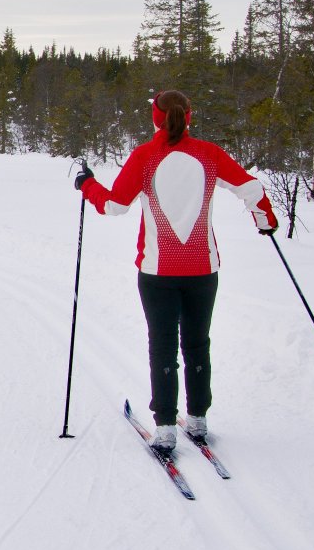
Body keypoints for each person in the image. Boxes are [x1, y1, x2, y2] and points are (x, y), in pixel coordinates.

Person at [75, 89, 278, 451]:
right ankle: (198, 420)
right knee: (198, 344)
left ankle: (166, 428)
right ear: (189, 116)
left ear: (155, 118)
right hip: (203, 269)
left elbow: (114, 206)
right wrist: (266, 221)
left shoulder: (145, 156)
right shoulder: (209, 154)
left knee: (163, 346)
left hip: (158, 271)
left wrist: (87, 185)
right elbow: (251, 188)